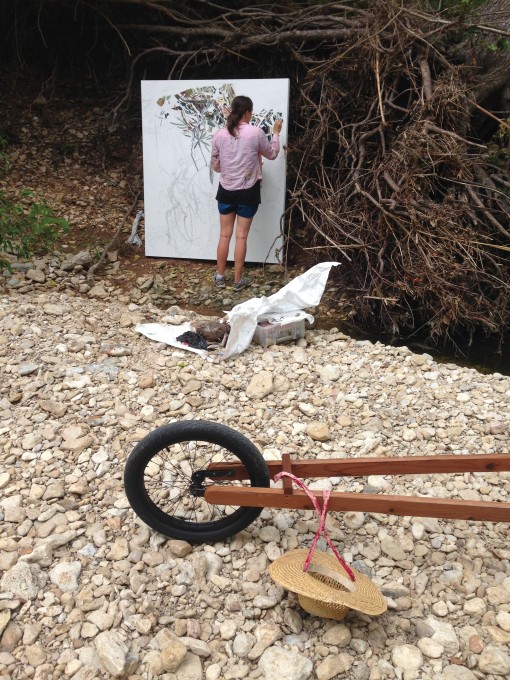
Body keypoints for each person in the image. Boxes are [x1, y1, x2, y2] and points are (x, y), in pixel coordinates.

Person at [210, 95, 283, 290]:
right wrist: (275, 134)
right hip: (248, 191)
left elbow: (216, 167)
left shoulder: (219, 134)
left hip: (225, 190)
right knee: (241, 236)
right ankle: (237, 281)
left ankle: (219, 277)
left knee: (224, 235)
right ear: (248, 112)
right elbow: (273, 154)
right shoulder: (256, 133)